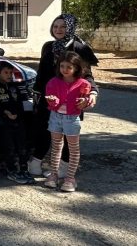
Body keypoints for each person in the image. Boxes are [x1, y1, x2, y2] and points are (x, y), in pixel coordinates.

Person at [30, 13, 99, 177]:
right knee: (44, 131)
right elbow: (41, 74)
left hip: (72, 100)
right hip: (49, 98)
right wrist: (36, 94)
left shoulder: (79, 48)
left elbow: (87, 75)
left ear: (70, 28)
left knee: (69, 136)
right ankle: (34, 164)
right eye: (55, 26)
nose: (58, 30)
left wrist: (93, 93)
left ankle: (64, 169)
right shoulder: (48, 46)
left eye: (62, 26)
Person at [44, 52, 91, 193]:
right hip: (55, 116)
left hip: (72, 119)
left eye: (69, 67)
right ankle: (54, 175)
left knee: (73, 148)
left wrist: (86, 101)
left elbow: (86, 101)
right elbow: (52, 102)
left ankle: (70, 178)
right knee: (56, 146)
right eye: (62, 66)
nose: (64, 69)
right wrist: (52, 101)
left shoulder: (84, 83)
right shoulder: (53, 82)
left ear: (76, 68)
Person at [0, 61, 35, 185]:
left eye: (11, 72)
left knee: (22, 146)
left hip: (19, 120)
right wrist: (6, 112)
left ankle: (23, 169)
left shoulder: (15, 86)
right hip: (5, 123)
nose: (9, 75)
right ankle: (11, 170)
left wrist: (19, 113)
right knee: (9, 147)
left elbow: (22, 101)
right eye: (6, 72)